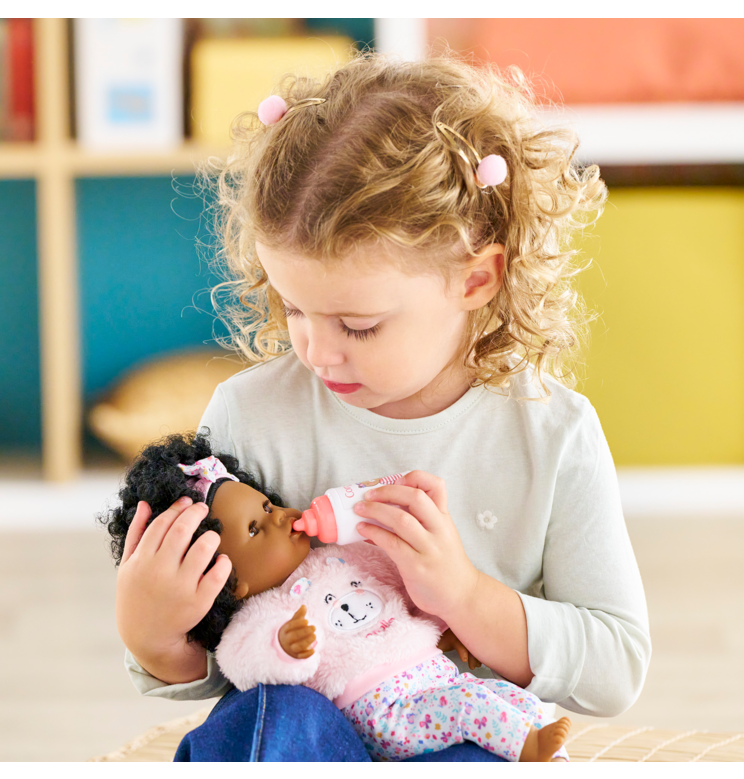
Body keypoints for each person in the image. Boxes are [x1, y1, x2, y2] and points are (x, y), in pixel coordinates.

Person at [114, 50, 651, 761]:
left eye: (359, 325)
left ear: (476, 278)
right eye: (293, 306)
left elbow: (616, 666)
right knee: (269, 719)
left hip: (461, 730)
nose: (315, 349)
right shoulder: (252, 415)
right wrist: (153, 634)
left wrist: (463, 595)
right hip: (302, 734)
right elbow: (229, 660)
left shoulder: (550, 434)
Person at [102, 433, 571, 761]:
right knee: (468, 712)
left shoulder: (345, 558)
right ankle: (526, 747)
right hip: (384, 711)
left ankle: (536, 745)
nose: (282, 516)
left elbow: (403, 586)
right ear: (232, 583)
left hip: (433, 682)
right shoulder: (267, 612)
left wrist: (450, 621)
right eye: (255, 528)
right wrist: (285, 646)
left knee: (502, 696)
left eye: (267, 506)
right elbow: (242, 661)